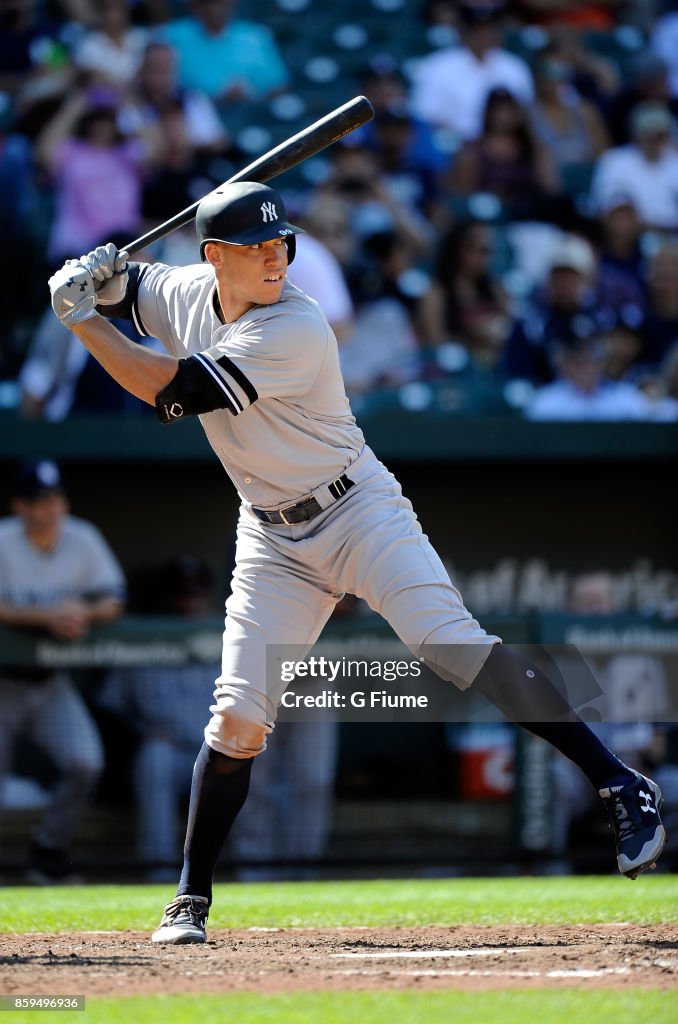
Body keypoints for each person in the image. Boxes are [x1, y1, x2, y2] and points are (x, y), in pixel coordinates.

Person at [47, 180, 666, 943]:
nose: (278, 258)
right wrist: (99, 278)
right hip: (272, 535)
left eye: (285, 244)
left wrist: (78, 317)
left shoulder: (295, 325)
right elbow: (135, 289)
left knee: (452, 646)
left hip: (356, 507)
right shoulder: (182, 290)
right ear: (215, 258)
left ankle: (618, 782)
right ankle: (189, 899)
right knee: (238, 717)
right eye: (260, 248)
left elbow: (171, 391)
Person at [0, 459, 126, 882]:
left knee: (85, 762)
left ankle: (48, 851)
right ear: (20, 506)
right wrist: (44, 617)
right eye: (40, 501)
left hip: (50, 682)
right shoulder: (3, 540)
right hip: (3, 682)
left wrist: (82, 612)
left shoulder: (82, 537)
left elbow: (113, 599)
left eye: (56, 499)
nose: (51, 509)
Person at [96, 555, 219, 880]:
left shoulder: (228, 636)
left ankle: (252, 870)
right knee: (154, 758)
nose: (189, 600)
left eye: (195, 593)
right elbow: (109, 707)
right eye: (182, 593)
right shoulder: (142, 639)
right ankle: (159, 871)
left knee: (251, 764)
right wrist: (140, 733)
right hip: (168, 749)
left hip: (219, 749)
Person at [409, 0, 534, 144]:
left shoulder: (514, 67)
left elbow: (525, 113)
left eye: (490, 28)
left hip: (504, 146)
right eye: (477, 29)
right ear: (464, 31)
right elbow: (423, 115)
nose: (484, 35)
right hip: (454, 146)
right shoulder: (437, 66)